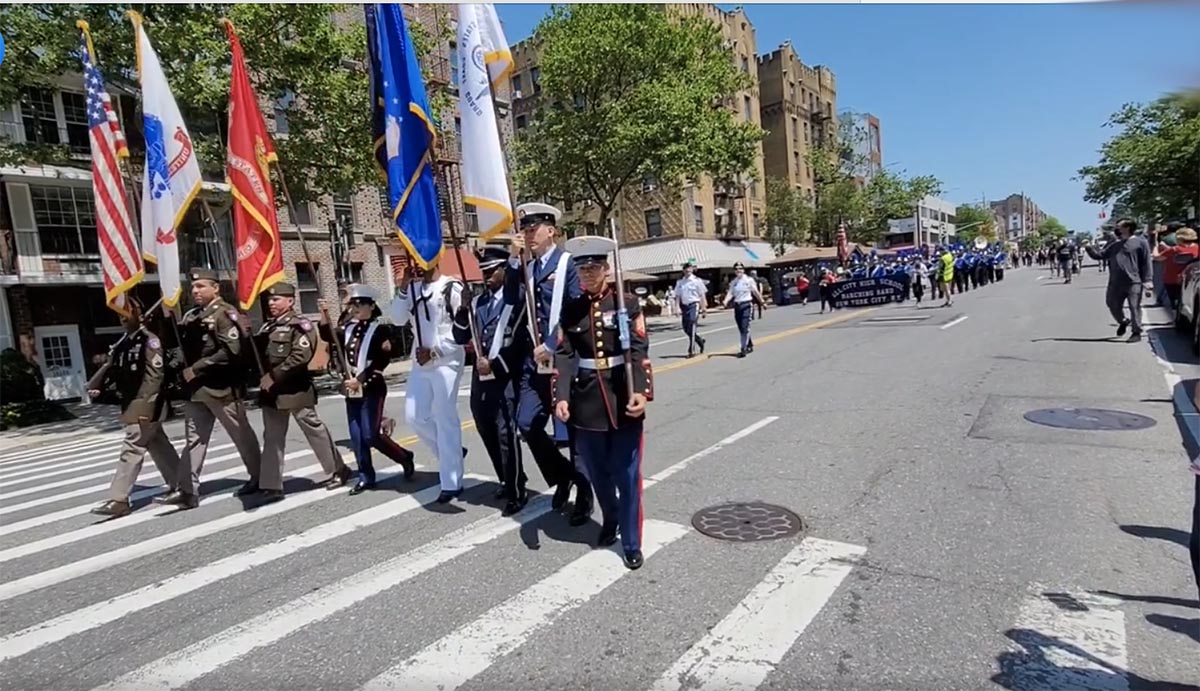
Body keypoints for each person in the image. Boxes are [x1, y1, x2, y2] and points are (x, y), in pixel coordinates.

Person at [553, 235, 653, 570]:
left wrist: (640, 391)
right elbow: (565, 356)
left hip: (621, 396)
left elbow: (639, 351)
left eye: (593, 268)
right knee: (597, 474)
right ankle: (610, 516)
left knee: (627, 476)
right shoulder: (571, 309)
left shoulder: (627, 304)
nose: (587, 275)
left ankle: (631, 541)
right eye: (582, 269)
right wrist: (562, 397)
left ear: (607, 269)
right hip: (587, 403)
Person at [504, 202, 593, 525]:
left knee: (572, 431)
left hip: (563, 359)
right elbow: (513, 301)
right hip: (534, 362)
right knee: (526, 422)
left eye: (532, 229)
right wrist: (514, 261)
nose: (527, 235)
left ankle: (584, 494)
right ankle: (563, 475)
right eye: (524, 230)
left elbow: (576, 309)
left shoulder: (569, 263)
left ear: (550, 230)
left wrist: (553, 343)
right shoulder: (526, 266)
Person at [167, 269, 262, 504]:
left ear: (215, 288)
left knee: (241, 435)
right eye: (193, 287)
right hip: (196, 389)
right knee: (194, 439)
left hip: (221, 387)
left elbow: (232, 351)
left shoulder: (225, 314)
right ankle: (187, 490)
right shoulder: (192, 315)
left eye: (200, 286)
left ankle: (261, 477)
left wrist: (197, 368)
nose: (195, 291)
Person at [88, 297, 187, 517]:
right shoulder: (124, 343)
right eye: (120, 314)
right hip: (130, 402)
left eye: (127, 313)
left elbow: (154, 377)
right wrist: (103, 389)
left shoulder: (149, 341)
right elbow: (120, 376)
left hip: (145, 404)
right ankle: (183, 484)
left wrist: (145, 408)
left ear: (139, 315)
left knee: (132, 448)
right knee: (158, 445)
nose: (123, 318)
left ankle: (119, 499)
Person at [255, 282, 353, 496]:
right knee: (272, 437)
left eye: (276, 299)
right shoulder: (267, 327)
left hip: (295, 389)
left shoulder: (301, 325)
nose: (271, 303)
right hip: (271, 393)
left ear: (290, 301)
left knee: (314, 431)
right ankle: (271, 485)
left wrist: (274, 376)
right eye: (270, 299)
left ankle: (338, 469)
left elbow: (301, 356)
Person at [453, 246, 528, 515]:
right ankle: (506, 478)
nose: (485, 276)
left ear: (503, 271)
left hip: (505, 374)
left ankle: (517, 491)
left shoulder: (516, 298)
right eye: (483, 271)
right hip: (481, 377)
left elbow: (519, 342)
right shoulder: (478, 302)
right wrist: (462, 311)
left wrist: (495, 364)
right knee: (485, 428)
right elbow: (460, 337)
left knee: (506, 433)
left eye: (491, 271)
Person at [321, 284, 415, 495]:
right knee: (357, 437)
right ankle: (366, 477)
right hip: (352, 390)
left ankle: (403, 456)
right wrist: (324, 313)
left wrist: (361, 380)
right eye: (352, 305)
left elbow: (382, 360)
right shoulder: (348, 328)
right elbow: (328, 336)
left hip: (372, 387)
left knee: (371, 434)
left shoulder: (380, 329)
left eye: (359, 304)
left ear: (371, 306)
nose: (354, 309)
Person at [389, 258, 469, 504]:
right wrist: (402, 287)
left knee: (445, 419)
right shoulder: (412, 289)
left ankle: (451, 482)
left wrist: (435, 351)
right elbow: (397, 319)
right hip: (420, 363)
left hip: (446, 361)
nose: (420, 264)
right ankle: (452, 453)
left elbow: (462, 330)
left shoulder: (451, 288)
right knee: (415, 417)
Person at [1085, 219, 1154, 343]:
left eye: (1119, 226)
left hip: (1134, 281)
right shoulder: (1115, 245)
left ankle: (1136, 332)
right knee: (1112, 304)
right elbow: (1100, 255)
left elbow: (1146, 262)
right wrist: (1089, 248)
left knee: (1134, 307)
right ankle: (1123, 321)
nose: (1116, 228)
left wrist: (1148, 279)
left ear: (1127, 228)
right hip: (1115, 282)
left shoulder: (1140, 243)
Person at [1153, 224, 1199, 312]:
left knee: (1174, 301)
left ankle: (1176, 315)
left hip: (1171, 279)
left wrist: (1155, 247)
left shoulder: (1174, 250)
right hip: (1190, 278)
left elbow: (1157, 257)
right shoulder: (1197, 248)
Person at [723, 262, 761, 358]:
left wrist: (762, 302)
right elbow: (730, 293)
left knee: (745, 327)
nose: (738, 270)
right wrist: (725, 301)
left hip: (747, 304)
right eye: (736, 269)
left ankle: (743, 349)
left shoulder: (749, 280)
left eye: (740, 268)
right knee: (741, 328)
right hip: (737, 306)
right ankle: (749, 344)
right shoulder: (734, 282)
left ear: (743, 270)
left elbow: (755, 292)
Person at [674, 261, 707, 357]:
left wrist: (704, 308)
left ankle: (691, 350)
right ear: (683, 270)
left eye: (690, 268)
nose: (688, 270)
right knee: (686, 328)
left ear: (692, 269)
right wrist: (677, 308)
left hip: (694, 305)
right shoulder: (680, 282)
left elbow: (702, 295)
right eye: (686, 268)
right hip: (684, 306)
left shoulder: (697, 281)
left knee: (692, 324)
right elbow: (677, 296)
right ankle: (700, 341)